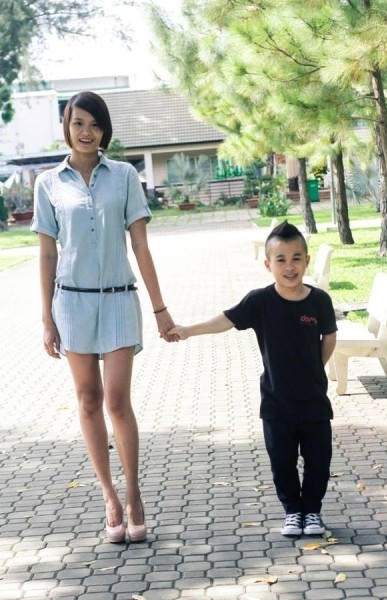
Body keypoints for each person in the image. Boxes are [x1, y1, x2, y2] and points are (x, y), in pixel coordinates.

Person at [31, 91, 176, 543]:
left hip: (117, 301)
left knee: (116, 401)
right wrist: (46, 318)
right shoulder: (48, 184)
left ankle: (134, 493)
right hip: (71, 304)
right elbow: (47, 254)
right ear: (67, 127)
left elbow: (141, 245)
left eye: (94, 124)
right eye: (78, 123)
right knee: (88, 400)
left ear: (104, 130)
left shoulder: (125, 176)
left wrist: (160, 307)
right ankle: (109, 496)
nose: (86, 132)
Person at [169, 221, 337, 536]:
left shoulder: (319, 301)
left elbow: (329, 336)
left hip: (314, 400)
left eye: (296, 258)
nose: (290, 266)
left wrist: (316, 367)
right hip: (276, 402)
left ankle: (312, 512)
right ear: (268, 264)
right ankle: (293, 512)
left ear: (307, 260)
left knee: (318, 461)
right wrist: (188, 330)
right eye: (281, 259)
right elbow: (225, 320)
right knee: (282, 463)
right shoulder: (260, 301)